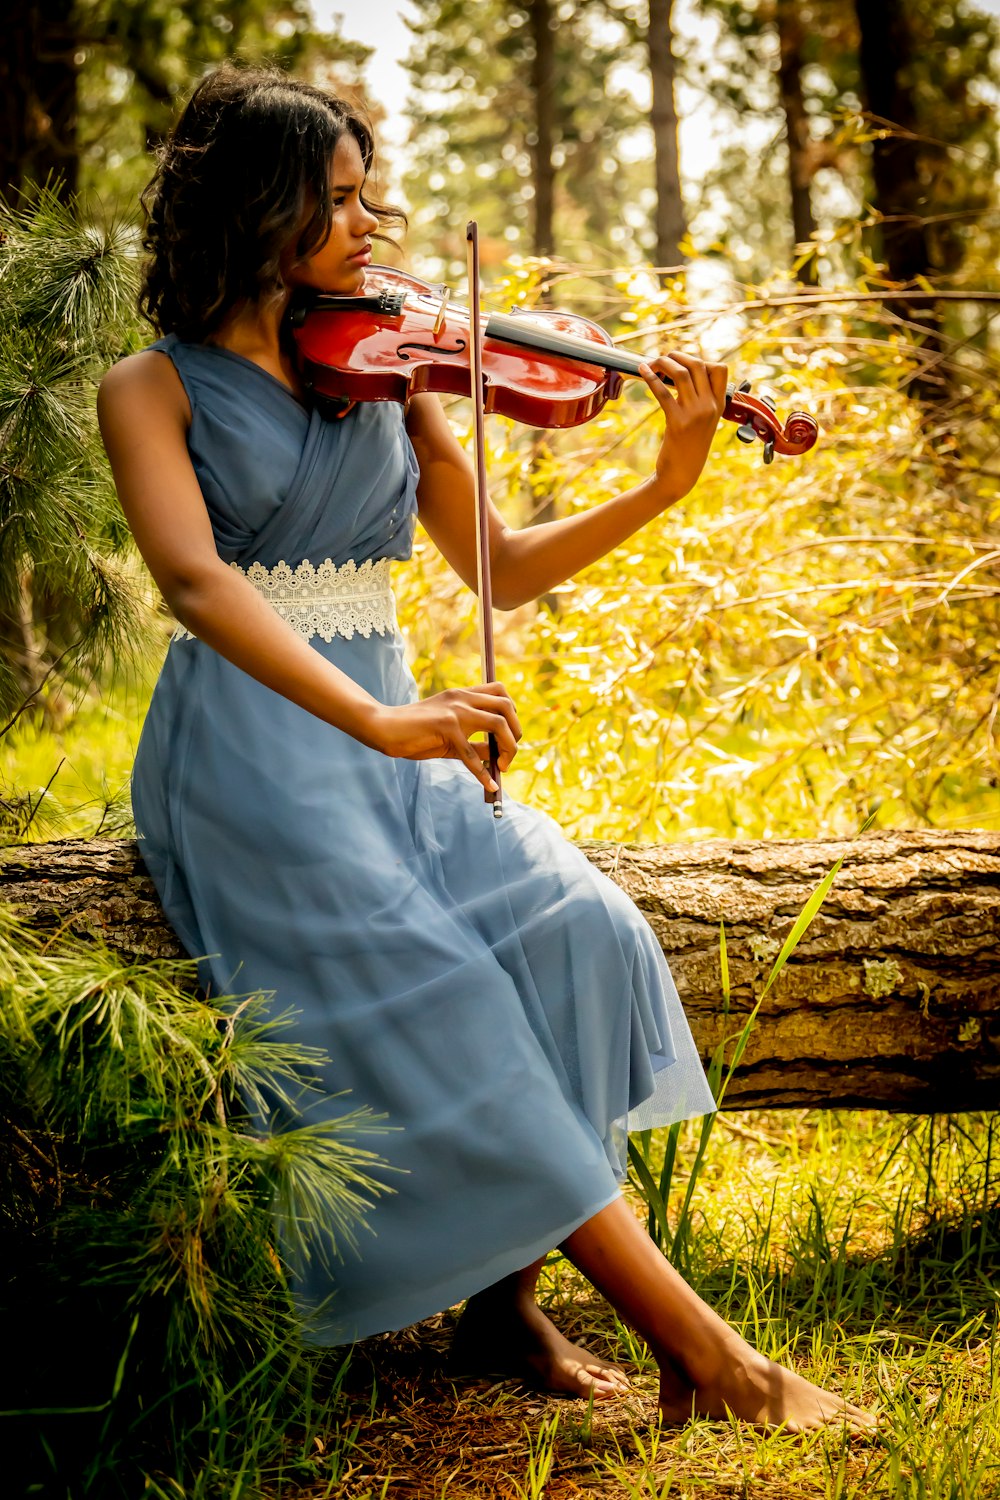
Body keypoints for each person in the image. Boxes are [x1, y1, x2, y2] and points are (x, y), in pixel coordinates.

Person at [98, 63, 873, 1433]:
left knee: (580, 931)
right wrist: (386, 721)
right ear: (250, 202)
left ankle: (501, 1304)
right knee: (445, 1001)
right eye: (334, 199)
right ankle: (715, 1358)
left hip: (400, 746)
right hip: (255, 756)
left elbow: (500, 571)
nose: (370, 224)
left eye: (366, 196)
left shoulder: (388, 369)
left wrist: (666, 478)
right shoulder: (148, 388)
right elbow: (199, 588)